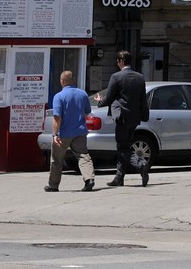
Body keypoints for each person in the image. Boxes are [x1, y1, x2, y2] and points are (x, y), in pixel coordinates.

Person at [99, 50, 150, 187]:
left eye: (117, 61)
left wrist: (99, 101)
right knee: (125, 146)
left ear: (121, 61)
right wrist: (143, 115)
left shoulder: (116, 77)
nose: (117, 64)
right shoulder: (140, 77)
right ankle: (119, 178)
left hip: (122, 117)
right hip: (134, 118)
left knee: (122, 148)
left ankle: (140, 164)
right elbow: (143, 100)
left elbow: (109, 98)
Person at [46, 70, 95, 192]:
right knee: (83, 156)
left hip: (64, 133)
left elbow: (57, 117)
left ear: (62, 81)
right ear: (72, 80)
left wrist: (55, 134)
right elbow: (87, 111)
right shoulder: (83, 94)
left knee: (57, 159)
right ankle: (89, 179)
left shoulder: (59, 96)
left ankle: (53, 185)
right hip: (80, 132)